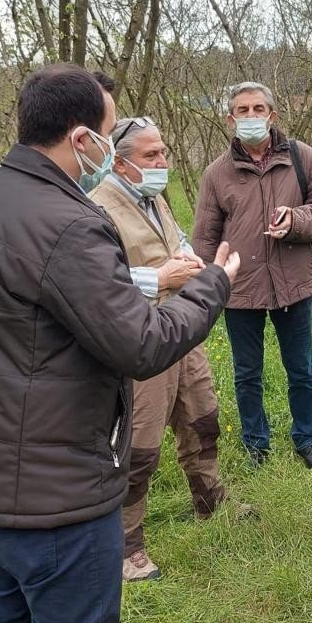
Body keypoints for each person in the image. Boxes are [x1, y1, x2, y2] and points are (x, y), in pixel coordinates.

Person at [0, 63, 240, 623]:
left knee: (9, 620)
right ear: (82, 139)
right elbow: (143, 343)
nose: (112, 143)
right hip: (54, 494)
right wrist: (212, 284)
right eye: (108, 130)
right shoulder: (69, 223)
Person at [87, 81, 226, 583]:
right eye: (153, 153)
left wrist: (188, 257)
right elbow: (93, 281)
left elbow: (176, 239)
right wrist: (157, 278)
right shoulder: (97, 206)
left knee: (201, 416)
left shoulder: (154, 197)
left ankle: (211, 500)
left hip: (182, 327)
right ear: (122, 162)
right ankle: (126, 546)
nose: (163, 159)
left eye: (165, 150)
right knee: (141, 444)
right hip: (140, 339)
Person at [192, 81, 312, 470]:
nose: (252, 117)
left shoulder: (303, 158)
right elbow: (205, 237)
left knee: (302, 369)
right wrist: (209, 289)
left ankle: (307, 439)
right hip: (240, 289)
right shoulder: (216, 174)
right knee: (247, 373)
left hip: (293, 283)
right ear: (230, 119)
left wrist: (297, 219)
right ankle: (256, 442)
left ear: (273, 115)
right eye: (243, 110)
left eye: (259, 109)